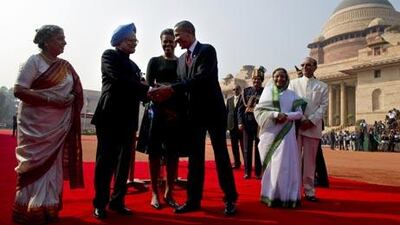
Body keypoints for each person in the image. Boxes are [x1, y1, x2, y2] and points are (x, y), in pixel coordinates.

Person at [149, 20, 238, 215]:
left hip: (213, 113)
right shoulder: (181, 60)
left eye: (178, 35)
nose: (176, 40)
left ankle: (230, 199)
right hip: (194, 116)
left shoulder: (207, 51)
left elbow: (200, 79)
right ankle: (193, 200)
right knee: (195, 158)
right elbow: (182, 88)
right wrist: (169, 104)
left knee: (221, 156)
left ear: (189, 33)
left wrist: (170, 88)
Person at [12, 25, 84, 225]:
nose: (65, 42)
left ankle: (47, 207)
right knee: (34, 165)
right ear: (46, 41)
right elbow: (19, 90)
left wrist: (70, 98)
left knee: (53, 166)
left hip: (58, 126)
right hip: (35, 125)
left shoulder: (66, 66)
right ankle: (28, 207)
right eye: (60, 39)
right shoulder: (33, 61)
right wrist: (52, 101)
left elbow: (76, 91)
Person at [91, 22, 150, 219]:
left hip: (128, 119)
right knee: (105, 161)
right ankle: (100, 203)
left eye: (135, 40)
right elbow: (118, 80)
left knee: (124, 163)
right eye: (130, 40)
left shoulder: (134, 66)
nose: (134, 43)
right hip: (109, 117)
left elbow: (141, 93)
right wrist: (145, 88)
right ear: (119, 41)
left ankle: (118, 201)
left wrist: (152, 92)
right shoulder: (109, 56)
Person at [255, 68, 306, 208]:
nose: (280, 79)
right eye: (277, 76)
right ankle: (270, 195)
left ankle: (286, 196)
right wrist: (275, 115)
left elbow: (299, 114)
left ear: (287, 78)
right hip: (270, 133)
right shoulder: (267, 92)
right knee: (272, 164)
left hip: (287, 132)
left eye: (283, 76)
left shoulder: (292, 94)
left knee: (286, 164)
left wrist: (286, 116)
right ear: (273, 77)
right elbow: (259, 111)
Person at [144, 28, 182, 210]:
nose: (168, 44)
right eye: (164, 41)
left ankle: (169, 192)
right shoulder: (154, 61)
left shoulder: (182, 63)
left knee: (173, 154)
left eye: (170, 41)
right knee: (155, 153)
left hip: (175, 115)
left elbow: (183, 88)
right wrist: (164, 92)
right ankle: (154, 193)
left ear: (175, 42)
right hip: (157, 113)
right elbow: (150, 87)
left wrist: (169, 92)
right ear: (161, 42)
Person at [288, 57, 328, 202]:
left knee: (310, 162)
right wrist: (298, 119)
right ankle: (294, 190)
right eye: (303, 65)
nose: (305, 67)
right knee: (294, 160)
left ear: (315, 67)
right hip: (296, 126)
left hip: (312, 126)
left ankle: (309, 191)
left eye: (309, 65)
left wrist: (311, 120)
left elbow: (323, 107)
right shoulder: (292, 84)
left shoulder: (322, 86)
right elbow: (289, 103)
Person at [237, 67, 265, 179]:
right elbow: (240, 109)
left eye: (258, 79)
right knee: (247, 149)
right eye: (254, 79)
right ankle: (247, 172)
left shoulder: (265, 92)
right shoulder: (246, 91)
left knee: (259, 148)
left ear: (261, 80)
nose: (256, 81)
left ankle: (258, 173)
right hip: (247, 123)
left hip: (260, 124)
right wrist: (240, 122)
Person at [226, 84, 244, 169]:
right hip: (232, 127)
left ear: (240, 90)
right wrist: (227, 127)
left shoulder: (244, 99)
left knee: (244, 146)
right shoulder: (229, 100)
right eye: (234, 89)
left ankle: (247, 164)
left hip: (241, 127)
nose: (235, 91)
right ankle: (237, 163)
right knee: (234, 147)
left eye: (237, 89)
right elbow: (227, 114)